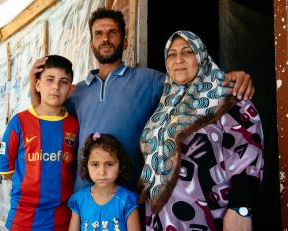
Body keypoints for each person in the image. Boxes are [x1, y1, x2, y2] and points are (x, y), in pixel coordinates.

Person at [29, 8, 255, 195]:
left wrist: (231, 77)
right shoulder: (77, 91)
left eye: (112, 33)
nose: (105, 38)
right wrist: (33, 82)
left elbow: (188, 81)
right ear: (91, 44)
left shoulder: (148, 80)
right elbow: (46, 113)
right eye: (98, 34)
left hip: (129, 197)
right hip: (84, 195)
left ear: (125, 41)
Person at [141, 30, 263, 231]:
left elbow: (249, 155)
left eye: (187, 52)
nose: (178, 59)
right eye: (171, 54)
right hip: (163, 220)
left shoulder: (228, 96)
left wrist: (241, 208)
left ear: (200, 56)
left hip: (213, 216)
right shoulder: (164, 107)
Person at [0, 55, 79, 231]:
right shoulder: (19, 122)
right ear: (37, 85)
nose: (56, 87)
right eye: (49, 80)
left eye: (63, 81)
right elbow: (6, 171)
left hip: (62, 220)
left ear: (71, 89)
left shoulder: (74, 124)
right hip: (23, 219)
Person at [67, 132, 140, 231]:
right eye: (95, 164)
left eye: (109, 164)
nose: (102, 172)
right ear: (86, 166)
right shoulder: (79, 200)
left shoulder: (127, 200)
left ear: (120, 166)